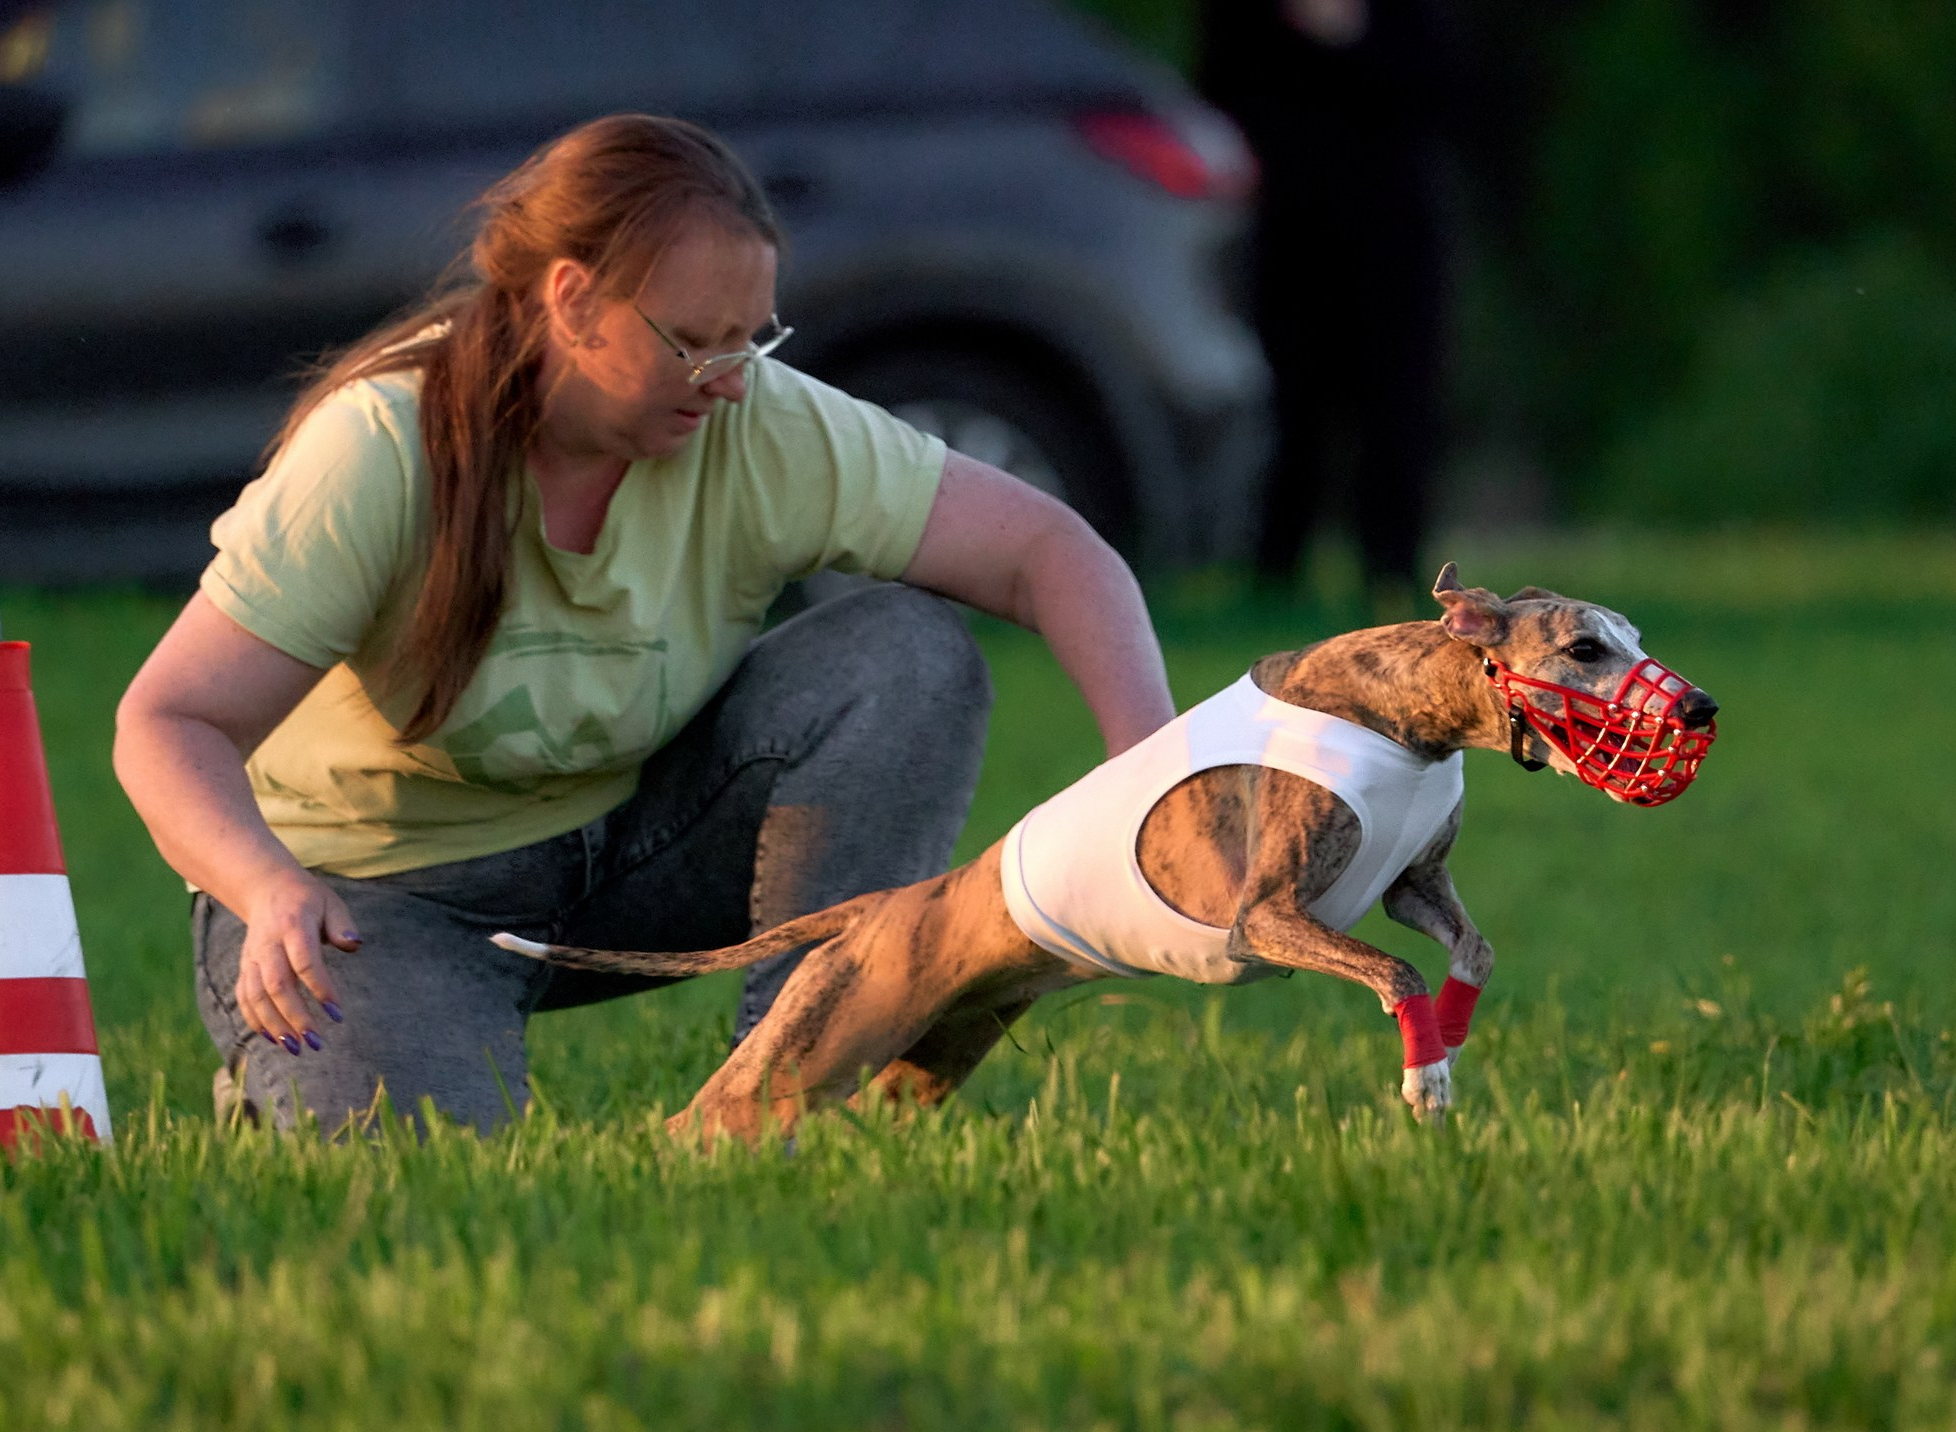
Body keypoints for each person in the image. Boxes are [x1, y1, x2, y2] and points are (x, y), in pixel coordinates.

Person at [113, 116, 1174, 1135]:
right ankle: (292, 1080)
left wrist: (1150, 783)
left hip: (631, 848)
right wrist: (265, 888)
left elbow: (1050, 552)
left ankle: (782, 1095)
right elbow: (168, 721)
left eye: (750, 338)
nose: (726, 379)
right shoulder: (383, 446)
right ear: (572, 301)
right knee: (441, 1193)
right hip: (371, 901)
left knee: (907, 650)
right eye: (692, 342)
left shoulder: (752, 412)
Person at [1199, 0, 1455, 612]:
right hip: (1288, 236)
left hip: (1394, 237)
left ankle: (1394, 574)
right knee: (1290, 408)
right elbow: (1217, 107)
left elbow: (1444, 94)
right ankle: (1275, 573)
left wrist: (1346, 32)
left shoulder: (1409, 22)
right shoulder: (1245, 22)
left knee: (1397, 411)